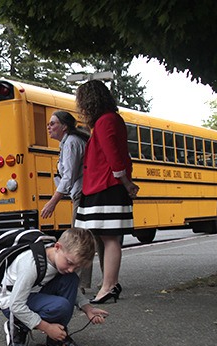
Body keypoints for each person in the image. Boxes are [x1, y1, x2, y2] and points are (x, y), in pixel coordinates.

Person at [74, 80, 140, 304]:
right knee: (105, 236)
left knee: (109, 238)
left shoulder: (104, 122)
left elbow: (113, 155)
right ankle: (109, 284)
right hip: (104, 185)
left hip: (105, 185)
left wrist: (124, 181)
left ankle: (109, 285)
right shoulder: (109, 120)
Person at [0, 228, 109, 346]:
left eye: (77, 267)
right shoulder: (31, 264)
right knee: (60, 305)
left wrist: (88, 308)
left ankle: (56, 339)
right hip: (12, 304)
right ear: (57, 247)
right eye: (69, 263)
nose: (71, 269)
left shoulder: (59, 260)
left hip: (34, 294)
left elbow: (71, 287)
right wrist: (47, 328)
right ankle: (18, 325)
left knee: (71, 279)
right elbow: (15, 304)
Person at [40, 111, 92, 290]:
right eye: (49, 124)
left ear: (64, 126)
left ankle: (78, 285)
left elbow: (68, 176)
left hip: (82, 193)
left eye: (53, 123)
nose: (49, 127)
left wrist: (52, 202)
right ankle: (84, 283)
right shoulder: (69, 142)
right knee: (87, 238)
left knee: (77, 239)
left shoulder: (71, 143)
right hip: (83, 192)